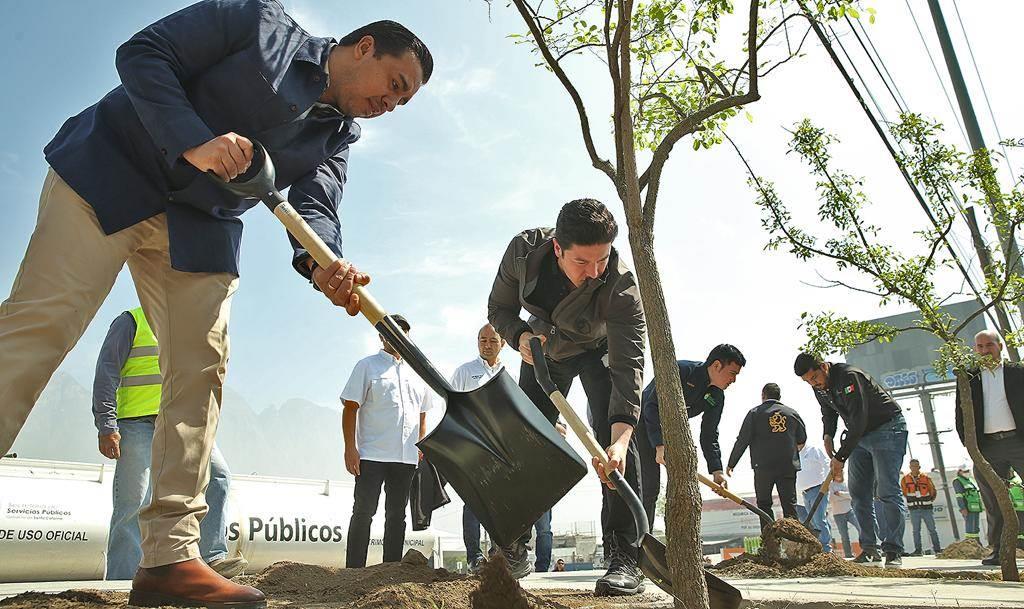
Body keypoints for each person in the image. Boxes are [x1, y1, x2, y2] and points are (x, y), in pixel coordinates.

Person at [0, 0, 433, 604]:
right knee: (40, 328)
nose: (392, 104)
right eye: (394, 85)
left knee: (201, 368)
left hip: (200, 225)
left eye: (403, 101)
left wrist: (325, 265)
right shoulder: (257, 22)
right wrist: (195, 142)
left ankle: (169, 560)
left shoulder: (338, 137)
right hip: (109, 174)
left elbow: (316, 210)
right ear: (365, 48)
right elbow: (143, 54)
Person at [487, 199, 647, 596]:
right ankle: (513, 545)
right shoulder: (523, 253)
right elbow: (499, 308)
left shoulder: (621, 287)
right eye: (582, 263)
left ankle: (625, 556)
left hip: (601, 352)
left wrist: (621, 438)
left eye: (602, 260)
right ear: (558, 247)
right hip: (546, 348)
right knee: (525, 439)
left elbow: (629, 368)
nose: (594, 273)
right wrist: (520, 338)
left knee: (616, 444)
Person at [94, 307, 244, 580]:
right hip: (137, 423)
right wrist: (107, 424)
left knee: (219, 476)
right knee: (134, 501)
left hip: (182, 424)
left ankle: (212, 558)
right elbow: (107, 371)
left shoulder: (190, 327)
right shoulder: (132, 321)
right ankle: (122, 581)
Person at [451, 323, 557, 574]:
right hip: (475, 444)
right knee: (474, 503)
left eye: (492, 340)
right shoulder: (465, 372)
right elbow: (452, 406)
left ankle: (503, 554)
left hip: (506, 447)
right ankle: (474, 557)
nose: (487, 345)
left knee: (505, 503)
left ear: (503, 344)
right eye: (482, 340)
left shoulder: (512, 373)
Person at [794, 353, 908, 568]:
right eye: (808, 381)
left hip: (887, 429)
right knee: (859, 493)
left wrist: (840, 457)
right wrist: (828, 435)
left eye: (815, 377)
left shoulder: (849, 376)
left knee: (886, 490)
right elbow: (828, 411)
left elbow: (858, 417)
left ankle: (893, 550)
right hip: (859, 436)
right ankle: (869, 549)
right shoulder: (818, 386)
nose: (814, 383)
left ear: (824, 366)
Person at [341, 315, 436, 569]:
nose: (397, 337)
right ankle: (353, 571)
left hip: (405, 457)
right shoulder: (366, 366)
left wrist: (420, 445)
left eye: (402, 332)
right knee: (364, 512)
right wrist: (350, 449)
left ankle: (390, 570)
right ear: (382, 336)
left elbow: (423, 412)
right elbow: (350, 407)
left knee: (397, 516)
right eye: (392, 332)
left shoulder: (418, 372)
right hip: (371, 454)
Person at [638, 345, 745, 527]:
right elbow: (651, 406)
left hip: (672, 434)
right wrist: (659, 445)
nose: (733, 380)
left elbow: (709, 434)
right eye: (732, 373)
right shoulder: (681, 371)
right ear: (717, 365)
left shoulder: (717, 396)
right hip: (643, 427)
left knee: (681, 489)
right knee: (649, 486)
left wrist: (716, 471)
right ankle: (639, 538)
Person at [955, 330, 1024, 565]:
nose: (985, 351)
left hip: (1019, 442)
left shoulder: (1018, 372)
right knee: (993, 501)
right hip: (987, 448)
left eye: (989, 345)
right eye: (980, 347)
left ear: (1000, 346)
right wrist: (971, 446)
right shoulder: (968, 377)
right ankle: (998, 549)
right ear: (975, 350)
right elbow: (960, 414)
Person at [726, 383, 806, 525]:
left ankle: (770, 543)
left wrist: (732, 463)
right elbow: (802, 439)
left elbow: (742, 440)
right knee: (789, 505)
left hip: (763, 467)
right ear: (779, 396)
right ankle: (793, 542)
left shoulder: (755, 414)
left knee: (764, 505)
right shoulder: (792, 413)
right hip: (787, 466)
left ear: (763, 395)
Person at [795, 443, 832, 553]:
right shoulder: (794, 454)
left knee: (819, 520)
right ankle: (819, 547)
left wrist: (826, 483)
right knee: (813, 522)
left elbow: (826, 464)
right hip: (804, 493)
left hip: (818, 489)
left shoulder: (814, 449)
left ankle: (826, 549)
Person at [901, 459, 941, 556]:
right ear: (910, 467)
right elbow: (904, 492)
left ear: (919, 467)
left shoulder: (925, 478)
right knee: (916, 530)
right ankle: (918, 550)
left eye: (916, 466)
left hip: (926, 508)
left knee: (932, 529)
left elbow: (932, 491)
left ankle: (937, 549)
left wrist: (928, 500)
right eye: (912, 466)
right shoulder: (905, 479)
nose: (914, 468)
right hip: (914, 509)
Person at [952, 466, 984, 544]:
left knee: (976, 528)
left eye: (967, 471)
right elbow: (959, 496)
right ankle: (970, 544)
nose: (967, 473)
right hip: (967, 508)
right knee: (970, 528)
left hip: (976, 507)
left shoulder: (971, 480)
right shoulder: (958, 481)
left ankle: (977, 543)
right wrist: (962, 508)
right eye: (965, 471)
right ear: (960, 472)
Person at [829, 480, 860, 559]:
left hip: (849, 511)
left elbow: (852, 495)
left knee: (860, 528)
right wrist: (845, 496)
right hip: (838, 514)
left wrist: (840, 494)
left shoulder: (846, 483)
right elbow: (831, 498)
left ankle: (866, 549)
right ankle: (848, 555)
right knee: (844, 535)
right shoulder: (831, 485)